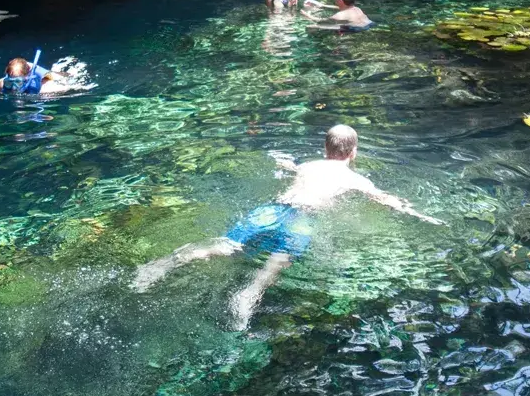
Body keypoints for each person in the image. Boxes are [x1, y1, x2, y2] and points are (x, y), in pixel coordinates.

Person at [133, 124, 441, 328]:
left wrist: (283, 162)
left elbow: (293, 168)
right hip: (303, 220)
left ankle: (161, 266)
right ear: (353, 152)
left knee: (224, 246)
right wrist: (421, 216)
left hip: (272, 210)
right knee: (272, 267)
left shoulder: (308, 166)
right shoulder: (354, 178)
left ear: (326, 148)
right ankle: (246, 298)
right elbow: (387, 200)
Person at [0, 54, 95, 98]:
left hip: (45, 76)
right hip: (25, 70)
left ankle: (68, 70)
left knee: (58, 77)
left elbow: (65, 88)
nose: (13, 87)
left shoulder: (43, 85)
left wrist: (79, 88)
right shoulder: (1, 85)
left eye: (17, 82)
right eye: (10, 81)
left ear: (27, 77)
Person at [302, 0, 373, 32]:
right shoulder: (357, 9)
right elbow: (341, 9)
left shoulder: (339, 16)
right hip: (367, 25)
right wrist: (323, 6)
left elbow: (320, 21)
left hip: (355, 30)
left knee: (310, 27)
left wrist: (307, 15)